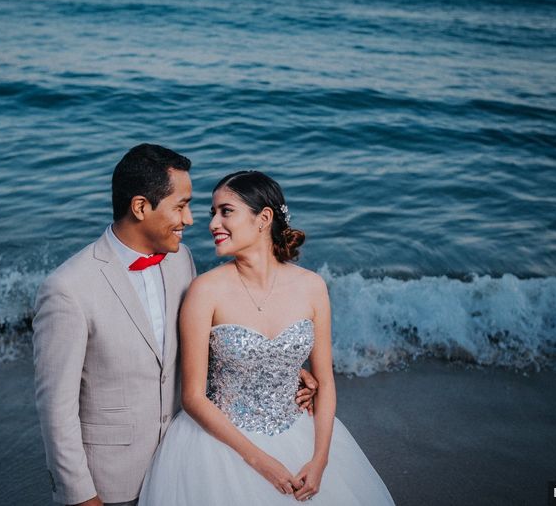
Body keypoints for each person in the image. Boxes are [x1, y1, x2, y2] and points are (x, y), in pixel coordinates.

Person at [32, 146, 316, 506]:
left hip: (181, 462)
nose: (191, 219)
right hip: (112, 482)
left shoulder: (179, 260)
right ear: (140, 207)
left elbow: (204, 345)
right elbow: (56, 409)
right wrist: (82, 496)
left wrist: (282, 370)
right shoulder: (68, 290)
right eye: (180, 206)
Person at [139, 170, 396, 505]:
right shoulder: (206, 291)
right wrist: (260, 461)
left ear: (263, 218)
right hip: (220, 447)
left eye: (225, 211)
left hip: (298, 435)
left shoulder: (312, 287)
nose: (213, 224)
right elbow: (193, 397)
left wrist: (320, 460)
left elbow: (325, 382)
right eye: (212, 214)